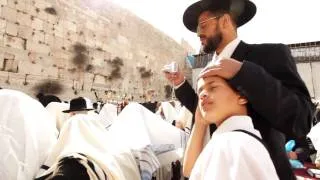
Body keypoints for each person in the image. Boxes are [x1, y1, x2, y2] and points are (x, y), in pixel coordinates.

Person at [164, 0, 315, 179]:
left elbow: (301, 119)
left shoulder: (270, 55)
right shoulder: (207, 69)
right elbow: (203, 114)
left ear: (225, 22)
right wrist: (180, 83)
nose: (199, 34)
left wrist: (245, 73)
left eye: (203, 25)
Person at [186, 75, 278, 179]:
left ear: (242, 97)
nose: (202, 95)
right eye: (199, 91)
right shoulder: (240, 140)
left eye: (213, 88)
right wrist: (199, 123)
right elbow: (189, 171)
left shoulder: (230, 142)